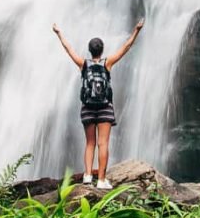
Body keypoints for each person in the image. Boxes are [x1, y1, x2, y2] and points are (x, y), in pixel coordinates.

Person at [52, 19, 144, 190]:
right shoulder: (107, 64)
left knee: (90, 143)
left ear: (89, 50)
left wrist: (59, 33)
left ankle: (87, 176)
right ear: (102, 50)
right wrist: (137, 30)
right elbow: (126, 47)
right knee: (103, 144)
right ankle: (101, 180)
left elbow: (68, 49)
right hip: (104, 108)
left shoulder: (83, 64)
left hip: (87, 108)